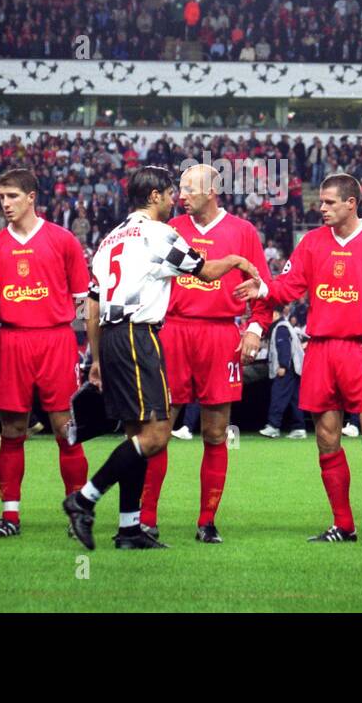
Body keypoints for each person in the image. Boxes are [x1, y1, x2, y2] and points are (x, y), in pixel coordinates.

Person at [63, 166, 258, 551]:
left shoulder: (110, 238)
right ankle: (84, 499)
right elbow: (206, 272)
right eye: (170, 193)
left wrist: (96, 356)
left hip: (113, 337)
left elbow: (92, 301)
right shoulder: (160, 234)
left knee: (137, 433)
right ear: (153, 196)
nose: (175, 200)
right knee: (155, 435)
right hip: (141, 336)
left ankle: (130, 529)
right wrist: (237, 260)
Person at [236, 172, 362, 550]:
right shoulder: (311, 243)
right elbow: (288, 288)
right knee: (326, 439)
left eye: (328, 202)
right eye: (321, 201)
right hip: (321, 350)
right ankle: (343, 524)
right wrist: (261, 287)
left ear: (351, 203)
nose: (321, 208)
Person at [143, 164, 272, 544]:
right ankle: (147, 518)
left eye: (188, 189)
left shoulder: (243, 231)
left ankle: (207, 521)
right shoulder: (169, 230)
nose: (180, 195)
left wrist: (254, 328)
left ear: (212, 191)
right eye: (179, 189)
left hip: (219, 336)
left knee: (215, 433)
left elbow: (262, 287)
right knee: (159, 430)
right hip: (173, 332)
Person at [0, 168, 90, 538]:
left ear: (31, 197)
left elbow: (80, 298)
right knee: (12, 430)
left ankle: (77, 512)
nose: (5, 204)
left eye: (12, 196)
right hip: (12, 341)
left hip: (55, 340)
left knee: (66, 429)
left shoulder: (63, 240)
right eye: (1, 198)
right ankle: (9, 516)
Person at [262, 307, 307, 439]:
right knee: (294, 399)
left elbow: (284, 348)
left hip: (287, 368)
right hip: (294, 368)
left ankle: (273, 426)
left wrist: (283, 365)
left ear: (275, 314)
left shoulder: (280, 327)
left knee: (278, 396)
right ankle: (299, 428)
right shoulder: (284, 326)